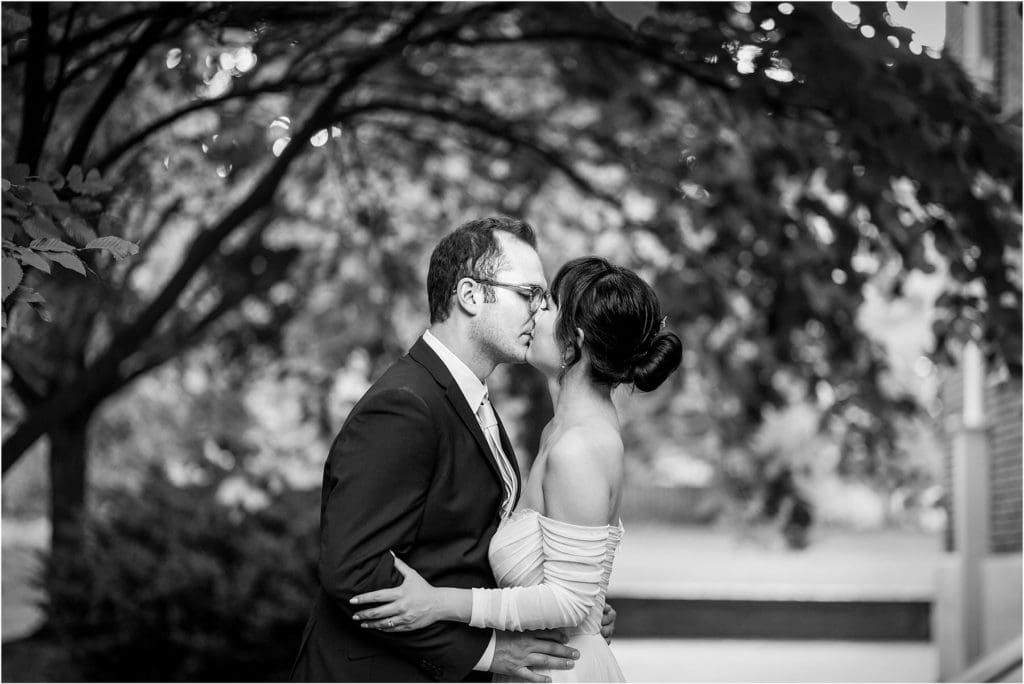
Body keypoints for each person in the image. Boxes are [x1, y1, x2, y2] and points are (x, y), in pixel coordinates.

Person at [291, 218, 612, 683]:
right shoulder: (404, 405)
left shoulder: (472, 401)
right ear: (469, 294)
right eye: (529, 294)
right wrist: (487, 651)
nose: (541, 314)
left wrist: (567, 609)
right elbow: (357, 573)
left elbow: (466, 549)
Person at [347, 256, 683, 682]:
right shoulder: (562, 431)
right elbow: (573, 583)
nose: (531, 311)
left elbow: (570, 601)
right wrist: (585, 605)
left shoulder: (578, 446)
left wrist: (438, 602)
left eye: (546, 305)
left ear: (571, 344)